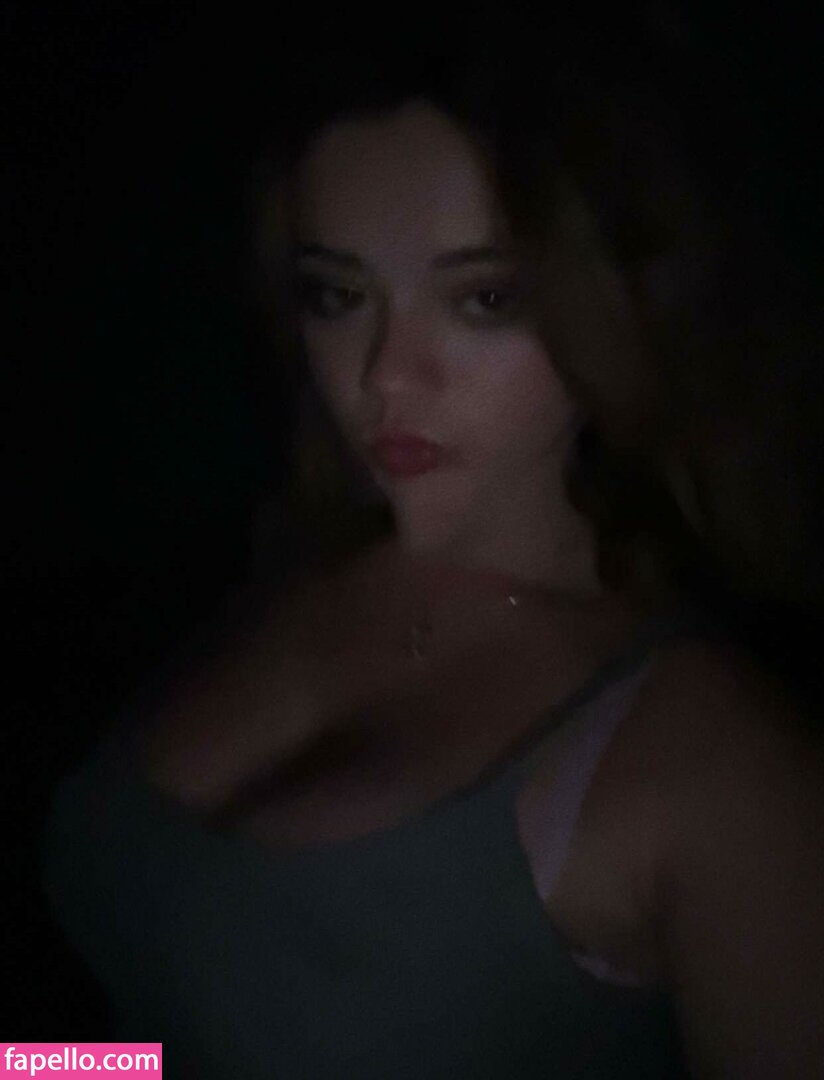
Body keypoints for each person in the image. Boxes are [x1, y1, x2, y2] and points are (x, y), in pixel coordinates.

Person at [41, 10, 824, 1077]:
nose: (384, 375)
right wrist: (30, 1064)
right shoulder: (274, 560)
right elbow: (133, 1049)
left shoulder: (724, 771)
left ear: (622, 304)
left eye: (483, 298)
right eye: (336, 295)